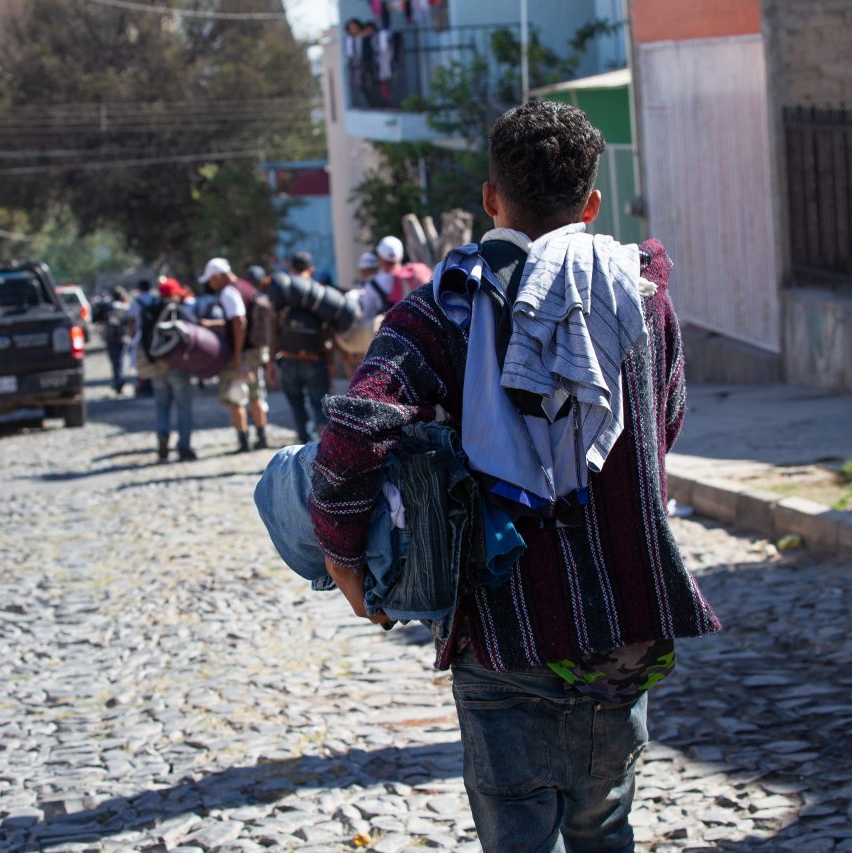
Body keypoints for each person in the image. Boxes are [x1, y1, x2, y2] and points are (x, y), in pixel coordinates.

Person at [309, 100, 720, 851]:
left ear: (491, 199)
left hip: (506, 632)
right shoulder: (642, 300)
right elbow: (665, 422)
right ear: (591, 204)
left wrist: (343, 560)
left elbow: (353, 432)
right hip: (622, 632)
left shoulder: (442, 311)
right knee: (605, 826)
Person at [199, 257, 268, 453]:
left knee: (235, 395)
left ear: (218, 276)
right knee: (256, 394)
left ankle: (243, 440)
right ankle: (262, 437)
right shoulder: (246, 286)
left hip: (242, 352)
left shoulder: (229, 292)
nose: (211, 285)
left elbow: (239, 321)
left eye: (211, 280)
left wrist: (237, 354)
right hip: (255, 349)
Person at [129, 276, 197, 463]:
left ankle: (163, 439)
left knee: (161, 406)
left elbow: (141, 334)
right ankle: (184, 447)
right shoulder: (178, 310)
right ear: (174, 294)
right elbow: (195, 331)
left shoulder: (149, 309)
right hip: (178, 367)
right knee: (183, 406)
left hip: (156, 366)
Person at [267, 251, 331, 444]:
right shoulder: (319, 295)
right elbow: (329, 330)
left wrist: (270, 362)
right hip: (315, 359)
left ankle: (303, 444)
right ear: (311, 269)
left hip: (288, 359)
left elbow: (273, 330)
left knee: (297, 407)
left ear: (291, 268)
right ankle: (323, 447)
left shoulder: (283, 295)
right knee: (320, 406)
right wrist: (330, 361)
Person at [102, 287, 131, 394]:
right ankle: (120, 380)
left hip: (110, 337)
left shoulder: (108, 307)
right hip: (123, 337)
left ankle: (117, 381)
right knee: (122, 359)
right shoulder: (126, 306)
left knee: (114, 361)